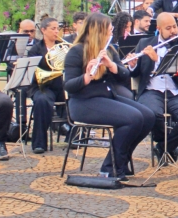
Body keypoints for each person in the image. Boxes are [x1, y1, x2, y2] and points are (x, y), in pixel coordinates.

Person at [63, 13, 155, 180]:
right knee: (132, 118)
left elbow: (125, 76)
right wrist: (86, 77)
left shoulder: (109, 50)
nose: (111, 34)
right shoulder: (76, 52)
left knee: (148, 116)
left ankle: (121, 160)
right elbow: (69, 86)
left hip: (107, 97)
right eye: (108, 31)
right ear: (98, 31)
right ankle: (110, 168)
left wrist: (112, 66)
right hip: (83, 103)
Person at [131, 13, 178, 159]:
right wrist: (132, 65)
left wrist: (157, 59)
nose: (173, 31)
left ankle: (163, 147)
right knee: (153, 114)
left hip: (175, 90)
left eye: (174, 26)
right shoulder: (144, 43)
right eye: (169, 28)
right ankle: (166, 145)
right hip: (151, 90)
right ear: (159, 28)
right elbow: (135, 74)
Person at [26, 17, 66, 154]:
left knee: (75, 95)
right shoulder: (35, 50)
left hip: (60, 85)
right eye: (53, 28)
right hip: (41, 86)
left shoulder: (63, 46)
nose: (57, 31)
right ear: (43, 30)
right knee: (42, 101)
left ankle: (71, 133)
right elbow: (33, 74)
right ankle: (39, 143)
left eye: (57, 28)